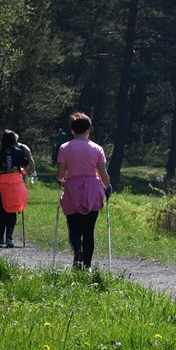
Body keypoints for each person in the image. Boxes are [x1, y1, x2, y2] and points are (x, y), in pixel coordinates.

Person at [56, 112, 111, 270]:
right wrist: (107, 187)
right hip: (92, 191)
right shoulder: (97, 149)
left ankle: (77, 251)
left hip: (72, 189)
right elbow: (103, 176)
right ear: (89, 129)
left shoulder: (65, 148)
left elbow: (60, 175)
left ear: (72, 130)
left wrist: (63, 179)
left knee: (74, 229)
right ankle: (87, 266)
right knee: (89, 231)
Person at [0, 130, 30, 248]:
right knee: (12, 209)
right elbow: (27, 169)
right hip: (15, 183)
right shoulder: (19, 152)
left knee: (1, 210)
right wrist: (19, 171)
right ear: (14, 140)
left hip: (1, 183)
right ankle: (9, 237)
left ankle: (1, 234)